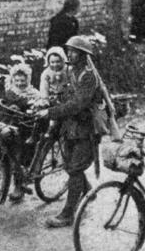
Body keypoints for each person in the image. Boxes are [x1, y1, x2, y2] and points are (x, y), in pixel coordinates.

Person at [35, 35, 108, 228]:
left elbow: (77, 104)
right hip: (70, 126)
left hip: (86, 128)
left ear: (83, 55)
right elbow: (62, 94)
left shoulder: (88, 76)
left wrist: (51, 112)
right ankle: (86, 189)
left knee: (75, 169)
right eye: (69, 50)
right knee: (69, 163)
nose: (70, 54)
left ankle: (68, 214)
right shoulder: (70, 70)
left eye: (74, 52)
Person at [2, 63, 41, 201]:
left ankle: (19, 186)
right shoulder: (10, 91)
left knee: (20, 155)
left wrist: (28, 110)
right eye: (17, 80)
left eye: (22, 81)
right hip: (12, 124)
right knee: (9, 152)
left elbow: (36, 109)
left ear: (28, 80)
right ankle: (6, 179)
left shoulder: (33, 93)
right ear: (12, 80)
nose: (19, 83)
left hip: (26, 127)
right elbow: (5, 105)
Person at [39, 47, 70, 138]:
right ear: (48, 62)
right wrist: (45, 98)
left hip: (65, 96)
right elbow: (44, 87)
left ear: (63, 60)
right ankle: (45, 128)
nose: (55, 64)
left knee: (61, 107)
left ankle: (55, 127)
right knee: (45, 107)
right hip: (53, 96)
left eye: (58, 62)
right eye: (52, 62)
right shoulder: (46, 73)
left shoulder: (67, 70)